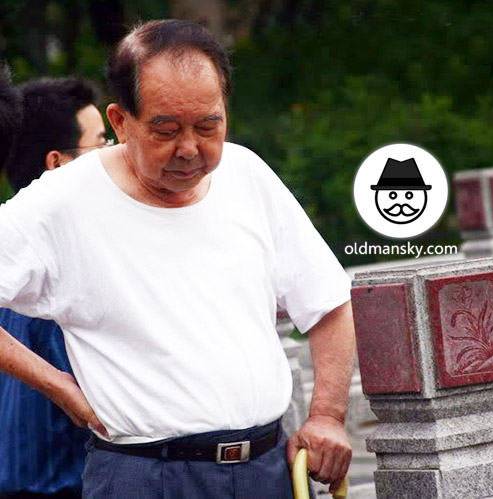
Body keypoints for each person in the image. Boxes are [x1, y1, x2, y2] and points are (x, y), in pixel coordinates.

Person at [0, 20, 355, 498]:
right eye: (165, 130)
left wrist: (328, 415)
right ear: (120, 121)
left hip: (268, 469)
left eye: (208, 126)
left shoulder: (248, 175)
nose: (189, 149)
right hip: (145, 475)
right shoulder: (62, 202)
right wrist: (59, 386)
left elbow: (329, 303)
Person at [0, 75, 107, 498]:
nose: (115, 156)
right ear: (57, 163)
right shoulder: (71, 262)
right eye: (101, 143)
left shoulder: (11, 248)